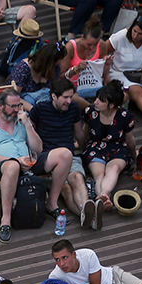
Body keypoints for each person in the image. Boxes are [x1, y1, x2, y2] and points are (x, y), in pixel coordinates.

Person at [0, 87, 49, 243]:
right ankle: (6, 221)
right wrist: (15, 161)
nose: (17, 110)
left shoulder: (21, 120)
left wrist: (28, 125)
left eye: (19, 106)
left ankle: (52, 204)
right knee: (13, 166)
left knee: (64, 154)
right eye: (13, 106)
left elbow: (38, 149)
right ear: (1, 106)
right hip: (3, 167)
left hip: (29, 161)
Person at [27, 80, 89, 226]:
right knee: (66, 188)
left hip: (69, 155)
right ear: (54, 96)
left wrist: (86, 153)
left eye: (71, 97)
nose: (69, 101)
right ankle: (88, 217)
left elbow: (79, 133)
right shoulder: (40, 109)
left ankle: (87, 214)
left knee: (77, 178)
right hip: (48, 158)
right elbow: (28, 132)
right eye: (65, 97)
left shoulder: (73, 108)